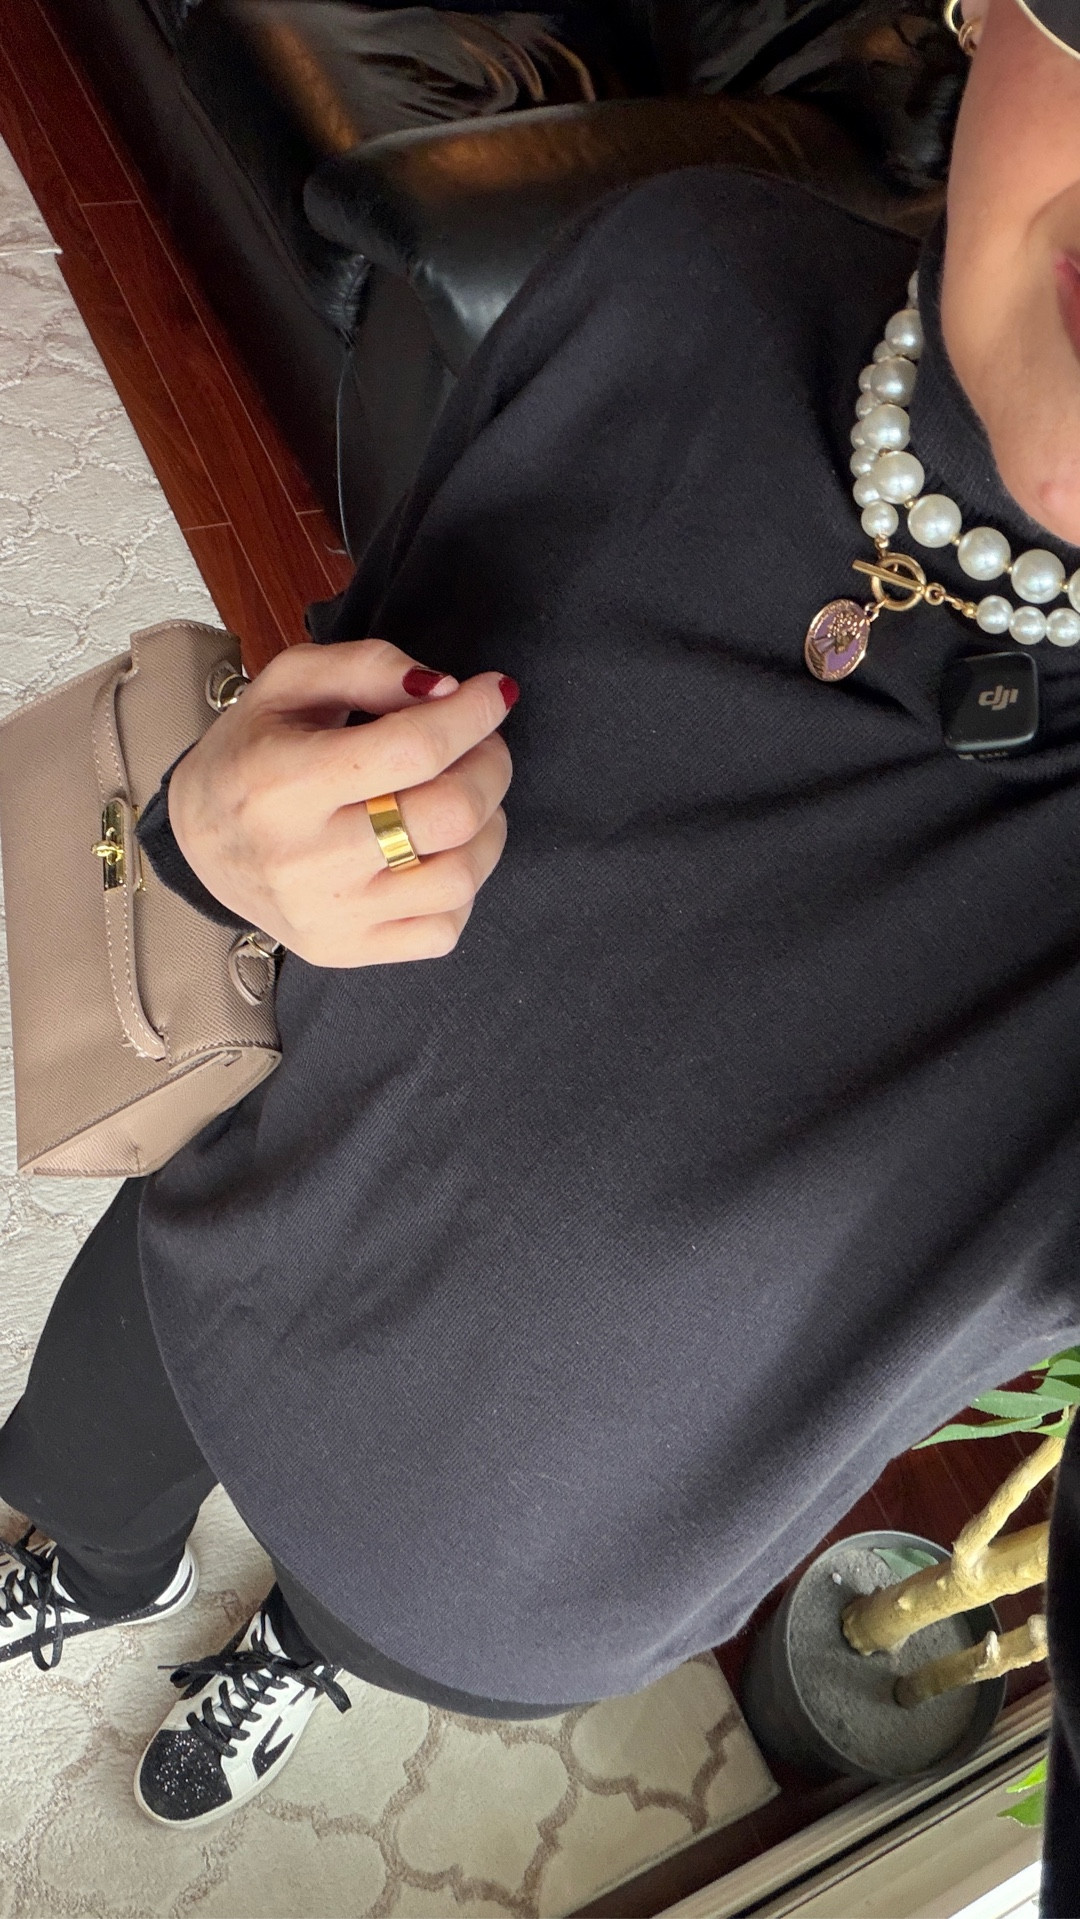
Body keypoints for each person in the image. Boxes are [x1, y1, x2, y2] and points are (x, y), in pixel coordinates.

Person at [2, 0, 1079, 1903]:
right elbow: (341, 696)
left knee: (367, 1616)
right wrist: (211, 836)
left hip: (505, 1569)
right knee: (80, 1462)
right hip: (226, 1237)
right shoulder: (684, 279)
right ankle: (101, 1566)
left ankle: (298, 1655)